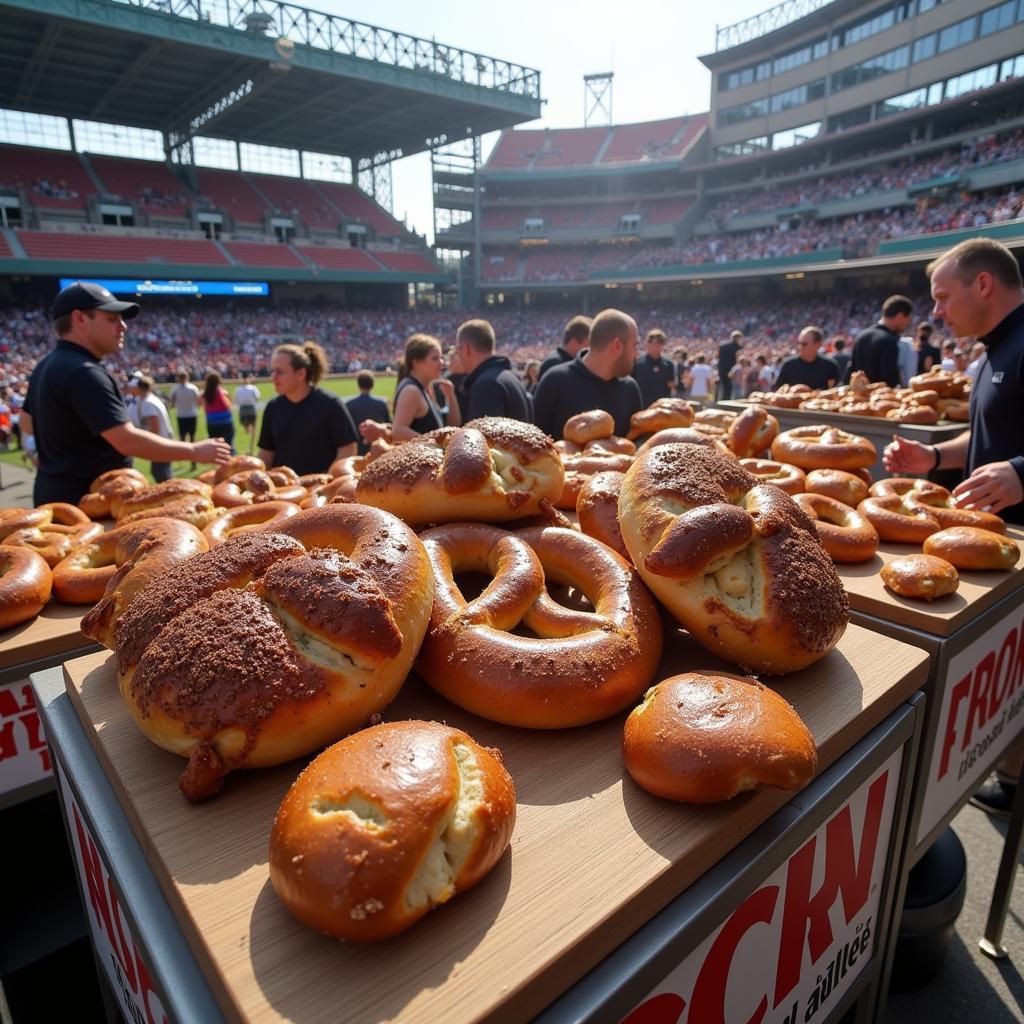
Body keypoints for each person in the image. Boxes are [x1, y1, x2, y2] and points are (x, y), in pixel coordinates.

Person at [21, 281, 229, 505]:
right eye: (112, 319)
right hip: (88, 504)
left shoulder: (46, 365)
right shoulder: (84, 372)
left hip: (54, 494)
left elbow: (27, 423)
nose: (123, 326)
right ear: (79, 318)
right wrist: (194, 450)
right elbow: (126, 440)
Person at [884, 236, 1024, 523]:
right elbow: (994, 432)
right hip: (996, 543)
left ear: (983, 285)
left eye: (943, 297)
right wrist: (934, 455)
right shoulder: (989, 353)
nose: (936, 312)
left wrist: (1021, 473)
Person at [532, 308, 643, 440]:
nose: (637, 354)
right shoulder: (554, 381)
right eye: (634, 345)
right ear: (617, 345)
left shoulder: (630, 389)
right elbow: (534, 446)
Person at [257, 341, 358, 474]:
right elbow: (266, 452)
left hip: (320, 488)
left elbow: (348, 449)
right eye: (273, 371)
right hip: (282, 490)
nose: (273, 377)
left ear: (301, 374)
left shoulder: (330, 404)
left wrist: (327, 482)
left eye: (280, 372)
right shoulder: (273, 407)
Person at [360, 334, 460, 445]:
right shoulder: (412, 391)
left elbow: (451, 425)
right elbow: (398, 432)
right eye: (435, 358)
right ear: (417, 362)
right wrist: (437, 446)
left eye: (441, 357)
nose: (442, 363)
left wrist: (451, 397)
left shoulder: (426, 388)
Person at [455, 318, 532, 423]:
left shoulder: (487, 385)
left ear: (466, 348)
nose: (457, 354)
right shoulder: (508, 376)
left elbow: (482, 438)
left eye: (458, 348)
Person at [848, 295, 913, 386]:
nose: (908, 323)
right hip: (882, 398)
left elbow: (851, 373)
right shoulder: (889, 341)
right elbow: (890, 382)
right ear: (900, 316)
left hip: (859, 397)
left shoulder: (861, 336)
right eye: (908, 319)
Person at [133, 375, 174, 482]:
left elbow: (154, 427)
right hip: (163, 441)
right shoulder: (152, 399)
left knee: (161, 474)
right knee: (162, 472)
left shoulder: (148, 403)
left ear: (138, 388)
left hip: (159, 443)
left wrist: (148, 443)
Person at [774, 327, 841, 390]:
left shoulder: (830, 366)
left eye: (804, 344)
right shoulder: (788, 365)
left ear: (817, 345)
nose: (800, 347)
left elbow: (837, 391)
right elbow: (777, 389)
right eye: (798, 343)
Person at [345, 371, 390, 455]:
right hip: (379, 448)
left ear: (358, 384)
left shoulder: (349, 404)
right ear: (372, 384)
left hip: (358, 449)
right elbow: (388, 425)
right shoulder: (382, 403)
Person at [631, 328, 676, 406]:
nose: (656, 346)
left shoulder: (668, 364)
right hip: (641, 406)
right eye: (653, 342)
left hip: (661, 408)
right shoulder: (637, 362)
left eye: (660, 342)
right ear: (647, 343)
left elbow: (671, 385)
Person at [199, 372, 234, 452]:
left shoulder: (205, 394)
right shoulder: (223, 392)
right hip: (226, 422)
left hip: (212, 423)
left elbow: (198, 403)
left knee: (216, 447)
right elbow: (229, 406)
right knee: (228, 446)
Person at [170, 371, 200, 444]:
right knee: (192, 436)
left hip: (181, 415)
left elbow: (173, 404)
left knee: (182, 436)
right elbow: (198, 401)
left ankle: (183, 454)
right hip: (192, 414)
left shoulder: (175, 389)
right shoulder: (193, 388)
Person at [234, 373, 261, 454]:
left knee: (248, 426)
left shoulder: (238, 389)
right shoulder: (253, 388)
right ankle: (251, 448)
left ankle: (251, 447)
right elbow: (257, 398)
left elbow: (236, 400)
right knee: (253, 427)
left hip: (244, 408)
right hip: (250, 408)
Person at [716, 329, 742, 401]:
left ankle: (718, 402)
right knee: (729, 388)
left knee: (722, 386)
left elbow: (718, 357)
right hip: (731, 370)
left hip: (721, 369)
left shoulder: (722, 345)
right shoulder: (738, 347)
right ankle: (726, 403)